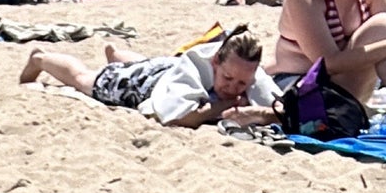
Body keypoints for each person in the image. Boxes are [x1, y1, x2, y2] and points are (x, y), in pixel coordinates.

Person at [20, 24, 281, 128]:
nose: (233, 87)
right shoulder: (196, 67)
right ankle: (40, 58)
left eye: (242, 83)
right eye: (228, 78)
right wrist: (227, 105)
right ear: (215, 62)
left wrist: (263, 111)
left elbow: (281, 108)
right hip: (148, 83)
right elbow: (179, 118)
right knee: (85, 79)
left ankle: (118, 55)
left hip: (166, 68)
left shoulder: (246, 70)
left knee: (148, 64)